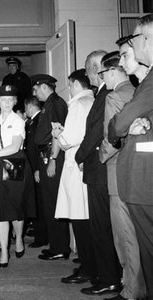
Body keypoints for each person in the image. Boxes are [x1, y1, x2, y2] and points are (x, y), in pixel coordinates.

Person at [108, 14, 153, 300]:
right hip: (141, 179)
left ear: (147, 39)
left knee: (148, 251)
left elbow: (118, 124)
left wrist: (125, 125)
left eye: (134, 40)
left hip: (144, 181)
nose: (132, 51)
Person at [99, 50, 146, 300]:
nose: (101, 79)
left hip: (118, 172)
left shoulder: (114, 96)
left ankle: (131, 291)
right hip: (140, 173)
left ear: (113, 70)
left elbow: (112, 138)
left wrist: (100, 155)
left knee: (125, 236)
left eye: (102, 73)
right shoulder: (139, 90)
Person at [75, 51, 121, 296]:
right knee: (102, 226)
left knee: (102, 226)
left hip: (100, 170)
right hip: (99, 170)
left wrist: (78, 156)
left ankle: (109, 278)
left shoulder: (106, 95)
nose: (85, 74)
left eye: (87, 69)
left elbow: (95, 132)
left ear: (96, 68)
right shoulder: (101, 94)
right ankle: (107, 275)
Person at [52, 69, 96, 284]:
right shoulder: (92, 100)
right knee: (86, 217)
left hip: (76, 165)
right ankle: (88, 263)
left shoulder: (79, 104)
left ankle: (87, 267)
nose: (69, 89)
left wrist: (58, 133)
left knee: (79, 218)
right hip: (85, 165)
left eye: (70, 85)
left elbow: (69, 139)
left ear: (76, 84)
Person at [0, 85, 35, 268]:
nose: (6, 103)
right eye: (2, 99)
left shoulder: (18, 120)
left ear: (14, 102)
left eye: (10, 99)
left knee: (14, 207)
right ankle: (5, 251)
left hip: (14, 162)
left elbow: (14, 147)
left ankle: (19, 239)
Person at [31, 74, 71, 261]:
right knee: (49, 203)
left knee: (54, 202)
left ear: (44, 87)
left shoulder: (55, 104)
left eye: (36, 88)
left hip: (52, 156)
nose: (34, 92)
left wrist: (53, 159)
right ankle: (57, 245)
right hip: (45, 156)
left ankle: (60, 248)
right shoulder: (49, 104)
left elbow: (57, 132)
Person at [24, 96, 47, 249]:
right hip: (32, 167)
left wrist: (38, 168)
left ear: (30, 107)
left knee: (40, 203)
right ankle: (40, 235)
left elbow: (40, 148)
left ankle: (42, 238)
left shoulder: (39, 121)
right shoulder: (32, 121)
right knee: (37, 202)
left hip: (37, 168)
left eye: (25, 108)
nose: (25, 111)